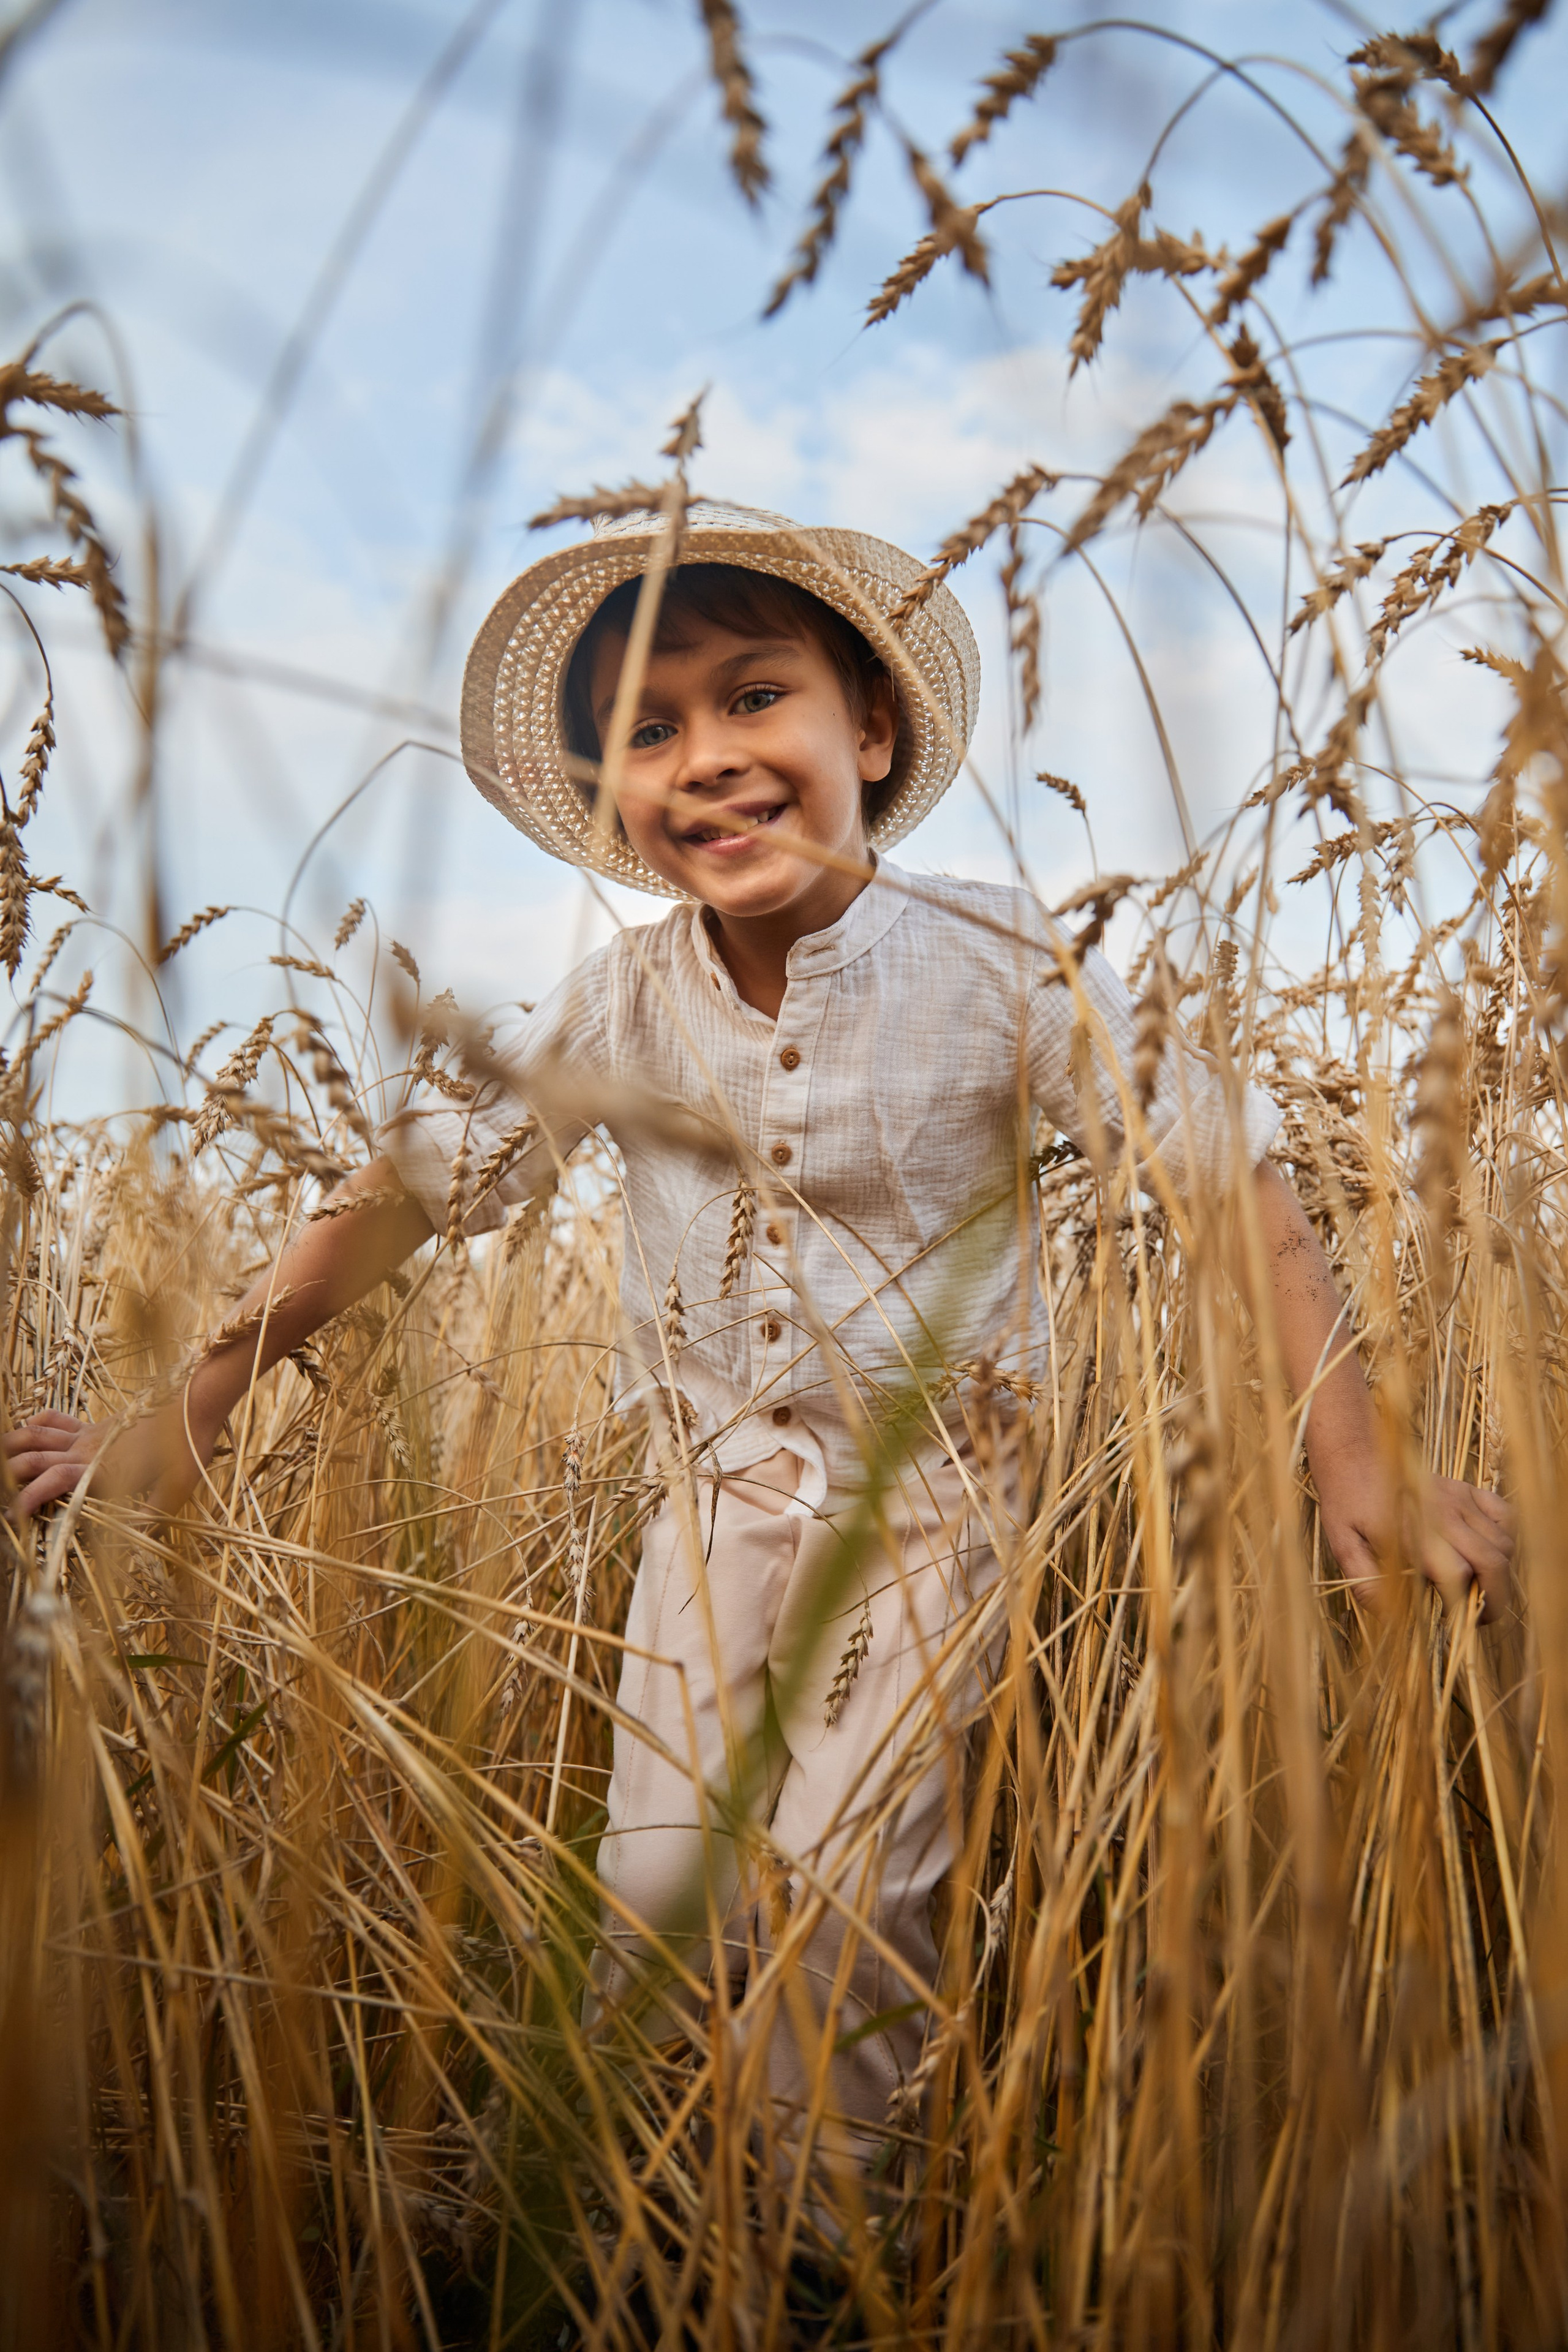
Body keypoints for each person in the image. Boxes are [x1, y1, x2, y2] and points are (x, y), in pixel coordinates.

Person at [5, 500, 1512, 2189]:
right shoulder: (618, 1007)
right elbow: (400, 1198)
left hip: (940, 1508)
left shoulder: (1009, 962)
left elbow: (1228, 1183)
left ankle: (818, 2238)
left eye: (752, 696)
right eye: (646, 732)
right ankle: (664, 2214)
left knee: (847, 1890)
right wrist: (180, 1414)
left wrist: (1358, 1456)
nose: (704, 755)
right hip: (708, 1510)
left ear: (867, 726)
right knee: (663, 1902)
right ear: (614, 808)